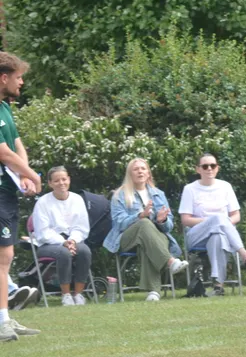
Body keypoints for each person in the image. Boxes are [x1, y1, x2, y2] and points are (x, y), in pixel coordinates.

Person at [103, 158, 188, 301]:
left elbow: (169, 226)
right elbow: (119, 223)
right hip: (126, 237)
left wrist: (162, 220)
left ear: (148, 173)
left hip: (154, 238)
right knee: (144, 223)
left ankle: (153, 292)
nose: (140, 171)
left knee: (146, 242)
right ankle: (170, 262)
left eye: (143, 168)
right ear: (130, 174)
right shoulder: (120, 195)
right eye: (136, 169)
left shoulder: (158, 194)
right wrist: (140, 215)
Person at [0, 52, 42, 342]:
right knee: (3, 257)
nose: (22, 82)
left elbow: (16, 144)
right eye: (18, 77)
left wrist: (24, 174)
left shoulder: (4, 107)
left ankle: (4, 319)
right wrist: (34, 176)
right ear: (4, 78)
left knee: (6, 256)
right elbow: (2, 152)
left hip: (7, 191)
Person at [179, 153, 246, 297]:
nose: (209, 169)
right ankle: (244, 254)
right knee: (217, 219)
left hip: (223, 234)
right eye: (205, 166)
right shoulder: (189, 189)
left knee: (217, 237)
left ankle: (218, 286)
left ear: (217, 168)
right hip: (196, 235)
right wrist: (212, 221)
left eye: (213, 165)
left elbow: (236, 216)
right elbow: (185, 220)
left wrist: (220, 224)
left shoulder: (225, 186)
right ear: (198, 169)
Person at [31, 166, 92, 306]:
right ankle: (66, 295)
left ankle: (78, 294)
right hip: (49, 244)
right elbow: (43, 232)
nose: (61, 183)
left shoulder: (77, 199)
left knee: (85, 251)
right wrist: (63, 242)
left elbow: (82, 227)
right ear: (50, 183)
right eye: (56, 180)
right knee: (63, 253)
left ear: (69, 180)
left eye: (64, 179)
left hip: (74, 240)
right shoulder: (42, 202)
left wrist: (72, 240)